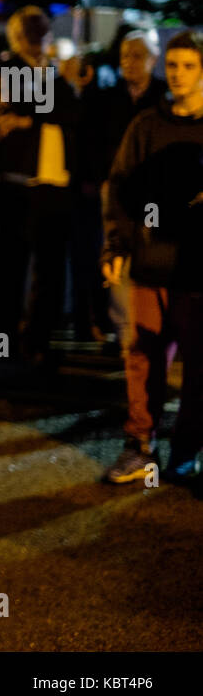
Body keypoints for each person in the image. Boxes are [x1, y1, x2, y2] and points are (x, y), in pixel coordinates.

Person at [101, 30, 203, 486]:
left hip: (198, 268)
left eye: (188, 67)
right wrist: (116, 245)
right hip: (151, 262)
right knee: (143, 356)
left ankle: (185, 449)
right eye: (174, 65)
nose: (177, 75)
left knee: (199, 363)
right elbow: (119, 188)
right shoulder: (145, 126)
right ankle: (140, 445)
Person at [0, 6, 81, 368]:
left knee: (51, 269)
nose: (40, 39)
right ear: (17, 36)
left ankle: (39, 340)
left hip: (54, 181)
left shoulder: (54, 72)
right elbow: (33, 104)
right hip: (17, 182)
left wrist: (33, 115)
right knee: (11, 268)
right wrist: (52, 95)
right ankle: (3, 343)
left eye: (43, 31)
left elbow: (67, 113)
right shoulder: (6, 69)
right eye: (32, 32)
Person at [81, 29, 167, 349]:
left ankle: (148, 329)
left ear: (152, 60)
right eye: (125, 56)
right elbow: (93, 142)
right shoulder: (108, 97)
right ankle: (120, 329)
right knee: (113, 253)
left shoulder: (162, 98)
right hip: (116, 189)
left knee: (151, 253)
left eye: (138, 56)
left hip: (153, 193)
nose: (130, 63)